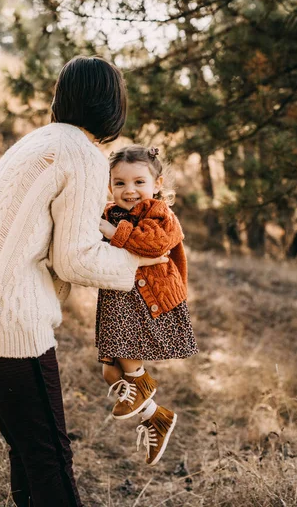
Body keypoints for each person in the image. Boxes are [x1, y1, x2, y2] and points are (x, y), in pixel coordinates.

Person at [0, 56, 169, 507]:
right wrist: (141, 262)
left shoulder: (35, 142)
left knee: (28, 449)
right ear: (112, 105)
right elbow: (75, 260)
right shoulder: (83, 156)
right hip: (3, 319)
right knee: (49, 460)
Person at [96, 144, 198, 466]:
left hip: (148, 297)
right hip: (121, 296)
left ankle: (141, 382)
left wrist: (113, 232)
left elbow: (153, 243)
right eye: (120, 183)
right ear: (110, 185)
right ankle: (157, 416)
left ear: (158, 184)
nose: (130, 191)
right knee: (110, 372)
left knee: (127, 357)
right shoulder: (110, 213)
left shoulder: (159, 213)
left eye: (139, 182)